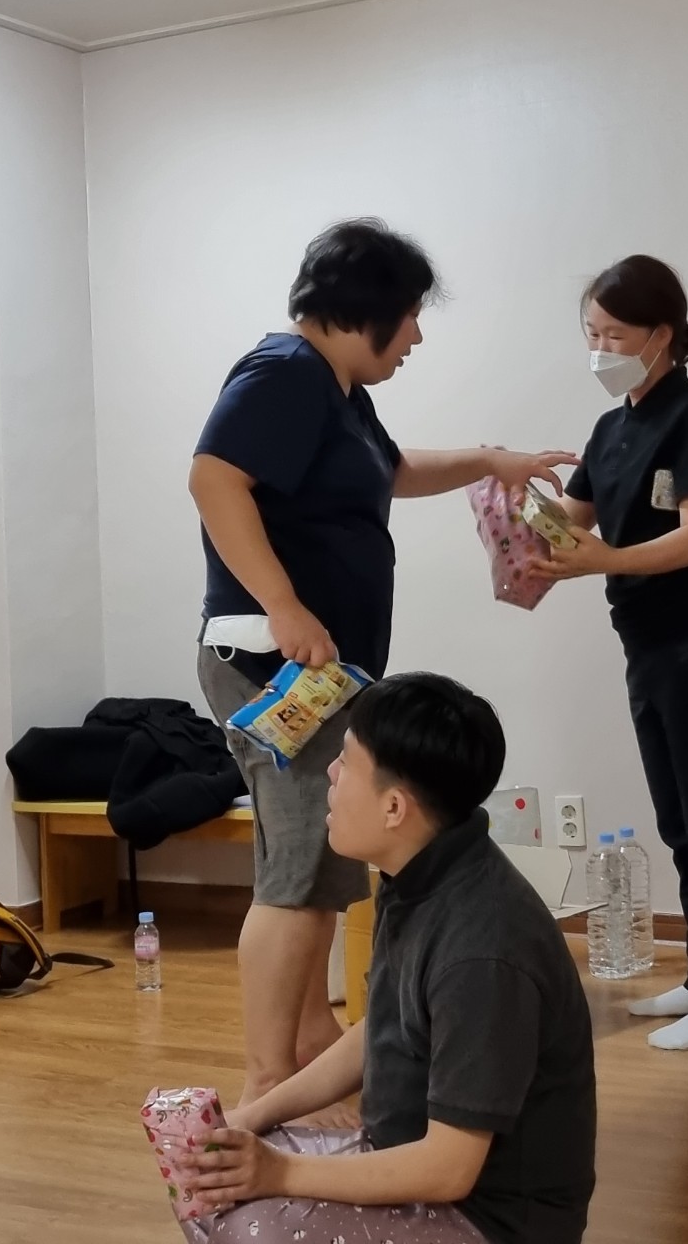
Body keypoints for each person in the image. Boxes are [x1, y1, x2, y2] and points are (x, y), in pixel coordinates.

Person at [189, 219, 577, 1105]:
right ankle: (265, 1086)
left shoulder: (337, 391)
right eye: (409, 317)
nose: (416, 337)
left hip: (321, 671)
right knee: (297, 876)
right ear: (367, 309)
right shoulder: (284, 372)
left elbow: (390, 470)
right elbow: (213, 479)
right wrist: (284, 605)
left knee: (321, 867)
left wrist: (490, 460)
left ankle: (311, 1050)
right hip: (274, 665)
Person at [179, 672, 597, 1244]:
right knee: (207, 1174)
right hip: (407, 1160)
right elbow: (380, 1028)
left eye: (346, 762)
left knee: (249, 1223)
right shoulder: (423, 872)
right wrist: (253, 1116)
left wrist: (279, 1173)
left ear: (394, 807)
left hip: (487, 1221)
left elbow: (449, 1169)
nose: (330, 773)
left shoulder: (482, 950)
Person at [534, 255, 688, 1051]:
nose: (599, 348)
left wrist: (604, 559)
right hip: (646, 645)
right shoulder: (611, 429)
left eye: (614, 334)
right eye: (591, 333)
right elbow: (568, 527)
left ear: (661, 335)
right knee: (678, 822)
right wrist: (505, 499)